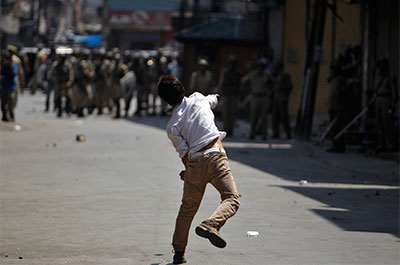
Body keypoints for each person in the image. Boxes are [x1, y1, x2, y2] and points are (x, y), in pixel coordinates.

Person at [157, 76, 240, 264]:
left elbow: (184, 153)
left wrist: (190, 173)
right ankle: (212, 224)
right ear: (182, 88)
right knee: (231, 198)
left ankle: (178, 253)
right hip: (216, 156)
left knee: (187, 208)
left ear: (165, 99)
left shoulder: (172, 126)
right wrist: (215, 96)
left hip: (194, 161)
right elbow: (213, 99)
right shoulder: (198, 98)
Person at [241, 59, 274, 140]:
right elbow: (243, 81)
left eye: (262, 67)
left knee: (264, 117)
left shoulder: (267, 75)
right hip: (255, 96)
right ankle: (252, 133)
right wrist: (249, 89)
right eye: (259, 67)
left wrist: (270, 91)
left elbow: (273, 83)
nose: (260, 69)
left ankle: (264, 134)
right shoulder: (252, 74)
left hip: (264, 97)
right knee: (254, 116)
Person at [374, 57, 398, 151]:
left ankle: (390, 143)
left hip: (386, 100)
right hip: (378, 100)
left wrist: (392, 106)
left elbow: (394, 93)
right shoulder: (378, 78)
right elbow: (375, 90)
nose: (380, 68)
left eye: (382, 65)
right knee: (379, 123)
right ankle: (382, 143)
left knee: (387, 123)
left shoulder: (390, 77)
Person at [218, 55, 241, 136]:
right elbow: (222, 83)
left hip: (234, 95)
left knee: (232, 113)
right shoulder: (225, 71)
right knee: (226, 113)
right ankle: (226, 129)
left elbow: (239, 84)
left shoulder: (237, 73)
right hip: (227, 94)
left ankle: (230, 130)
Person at [271, 62, 293, 139]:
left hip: (282, 96)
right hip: (277, 96)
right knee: (275, 115)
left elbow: (289, 86)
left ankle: (288, 133)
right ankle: (276, 133)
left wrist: (286, 96)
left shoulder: (285, 75)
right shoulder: (278, 75)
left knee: (284, 116)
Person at [1, 51, 18, 122]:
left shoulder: (13, 65)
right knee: (3, 103)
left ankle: (12, 117)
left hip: (12, 87)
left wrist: (9, 65)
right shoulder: (3, 65)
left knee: (10, 102)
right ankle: (4, 117)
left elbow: (14, 74)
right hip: (4, 86)